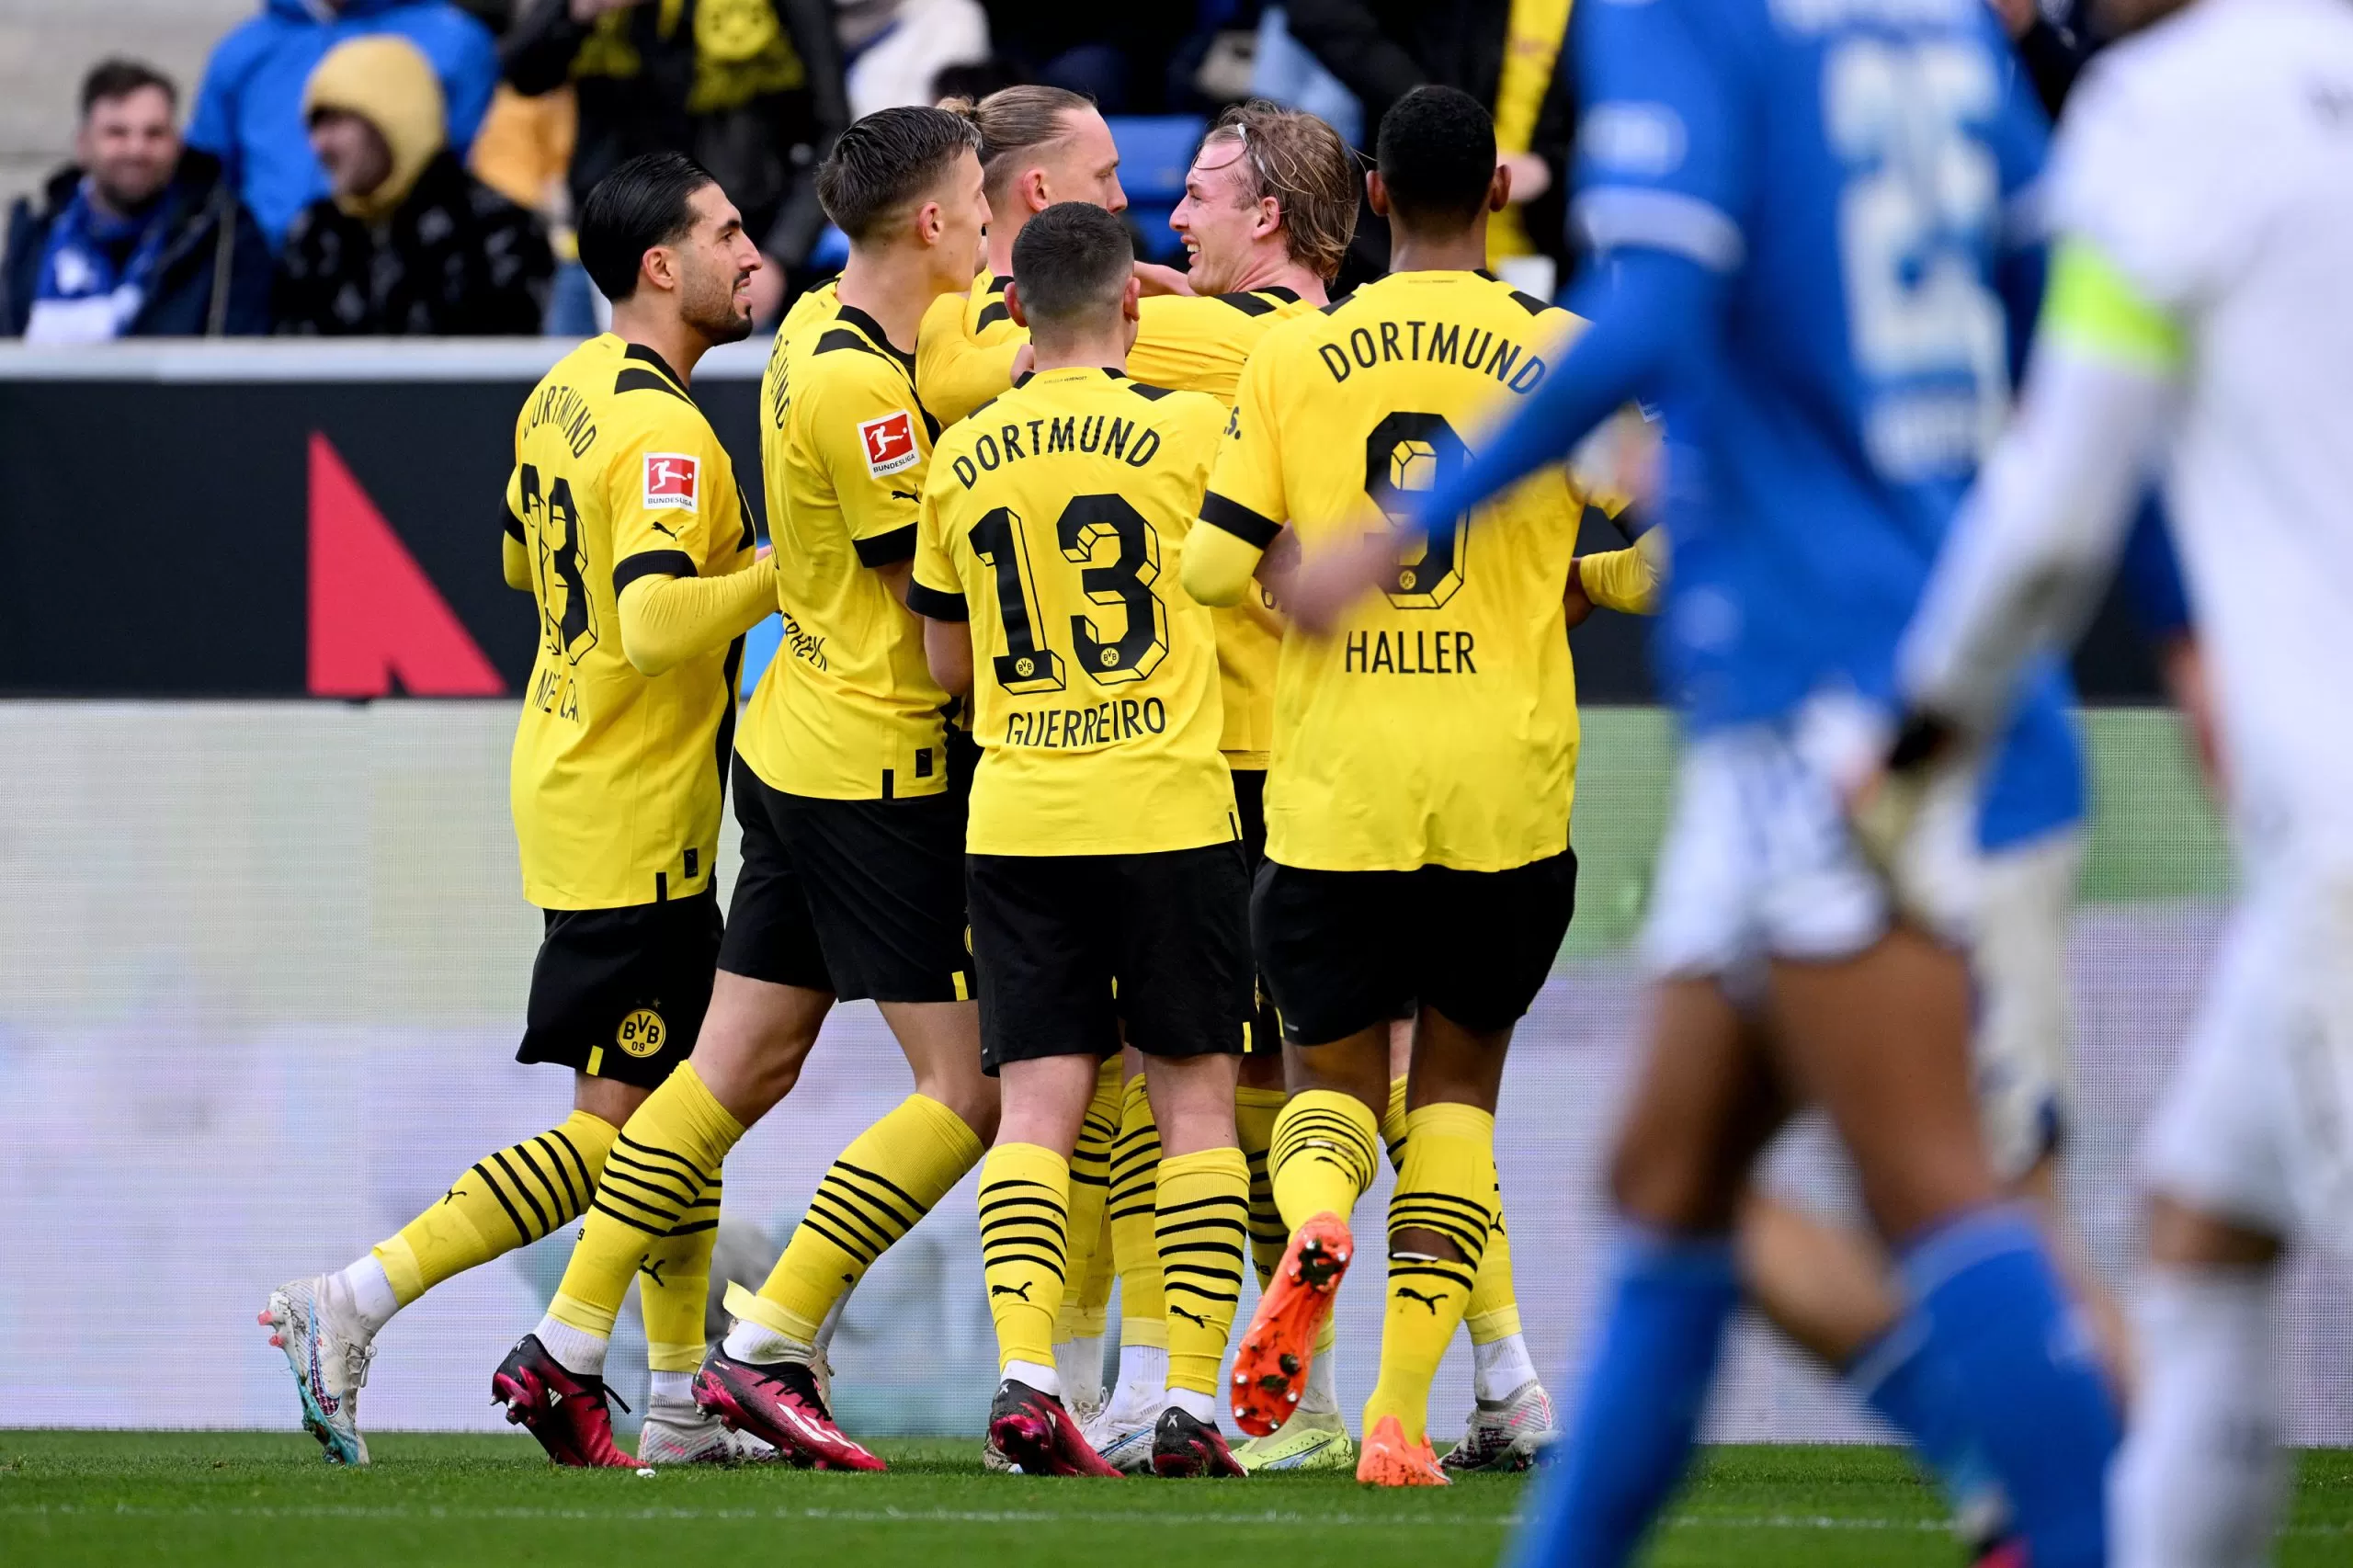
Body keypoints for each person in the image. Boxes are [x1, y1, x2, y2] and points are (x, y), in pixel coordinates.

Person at [1276, 0, 2126, 1555]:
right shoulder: (1942, 44)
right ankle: (1995, 1476)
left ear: (1379, 196)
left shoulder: (1687, 24)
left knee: (1941, 1187)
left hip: (1839, 705)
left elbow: (1658, 304)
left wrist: (1412, 520)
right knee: (1669, 1181)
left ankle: (2073, 1523)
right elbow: (2062, 329)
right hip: (1799, 703)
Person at [1886, 0, 2353, 1558]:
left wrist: (1921, 733)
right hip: (2313, 849)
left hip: (2337, 818)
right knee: (2202, 1224)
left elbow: (2054, 504)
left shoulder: (2156, 119)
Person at [495, 106, 997, 1471]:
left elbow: (522, 566)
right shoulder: (821, 395)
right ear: (935, 221)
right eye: (978, 205)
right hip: (855, 768)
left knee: (725, 1072)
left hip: (768, 753)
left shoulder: (799, 339)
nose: (748, 250)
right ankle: (765, 1337)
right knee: (967, 1088)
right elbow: (916, 617)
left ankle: (571, 1341)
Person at [264, 148, 771, 1469]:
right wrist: (786, 570)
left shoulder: (565, 390)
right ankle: (354, 1296)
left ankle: (677, 1397)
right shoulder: (665, 432)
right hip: (630, 800)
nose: (750, 252)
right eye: (725, 232)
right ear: (660, 264)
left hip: (578, 769)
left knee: (677, 1104)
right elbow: (654, 623)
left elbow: (513, 556)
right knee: (626, 1135)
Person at [1178, 85, 1609, 1488]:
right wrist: (1570, 588)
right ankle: (1398, 1418)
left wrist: (1299, 581)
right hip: (1503, 791)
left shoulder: (1295, 353)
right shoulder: (1562, 353)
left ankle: (1315, 1223)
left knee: (1333, 1084)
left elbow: (1209, 564)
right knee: (1457, 1098)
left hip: (1337, 788)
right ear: (1500, 192)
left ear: (1371, 197)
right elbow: (1682, 538)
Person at [909, 199, 1252, 1479]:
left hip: (1019, 815)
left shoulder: (961, 454)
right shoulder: (1192, 429)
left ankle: (1026, 1378)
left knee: (1036, 1112)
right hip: (1167, 809)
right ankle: (1190, 1399)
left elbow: (947, 662)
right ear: (1133, 305)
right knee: (1195, 1106)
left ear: (1013, 311)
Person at [500, 0, 850, 320]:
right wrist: (580, 11)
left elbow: (833, 130)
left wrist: (780, 256)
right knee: (579, 369)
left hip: (733, 248)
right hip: (603, 245)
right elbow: (522, 74)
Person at [273, 34, 553, 335]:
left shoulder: (492, 231)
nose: (319, 145)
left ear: (395, 123)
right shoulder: (314, 236)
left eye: (337, 122)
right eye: (315, 126)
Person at [188, 0, 500, 249]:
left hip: (412, 272)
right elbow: (206, 186)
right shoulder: (241, 51)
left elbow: (477, 170)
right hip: (267, 282)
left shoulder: (455, 40)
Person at [3, 60, 272, 341]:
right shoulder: (35, 236)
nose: (136, 150)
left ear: (177, 145)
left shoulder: (226, 237)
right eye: (117, 133)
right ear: (83, 144)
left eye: (154, 134)